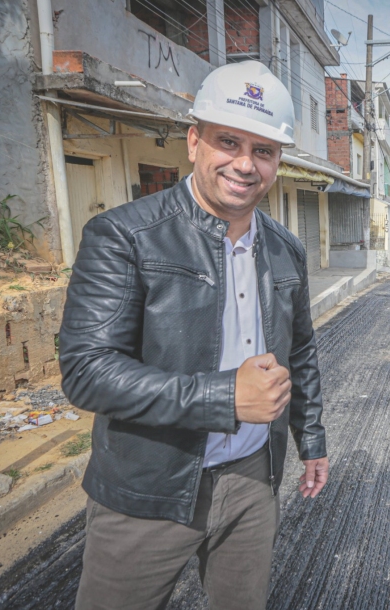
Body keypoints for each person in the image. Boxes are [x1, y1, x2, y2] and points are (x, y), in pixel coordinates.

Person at [59, 61, 328, 610]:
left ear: (278, 161)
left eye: (264, 151)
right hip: (147, 489)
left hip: (254, 480)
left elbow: (299, 352)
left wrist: (312, 439)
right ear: (193, 141)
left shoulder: (285, 249)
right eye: (228, 142)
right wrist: (224, 396)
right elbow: (86, 371)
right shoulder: (124, 237)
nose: (245, 164)